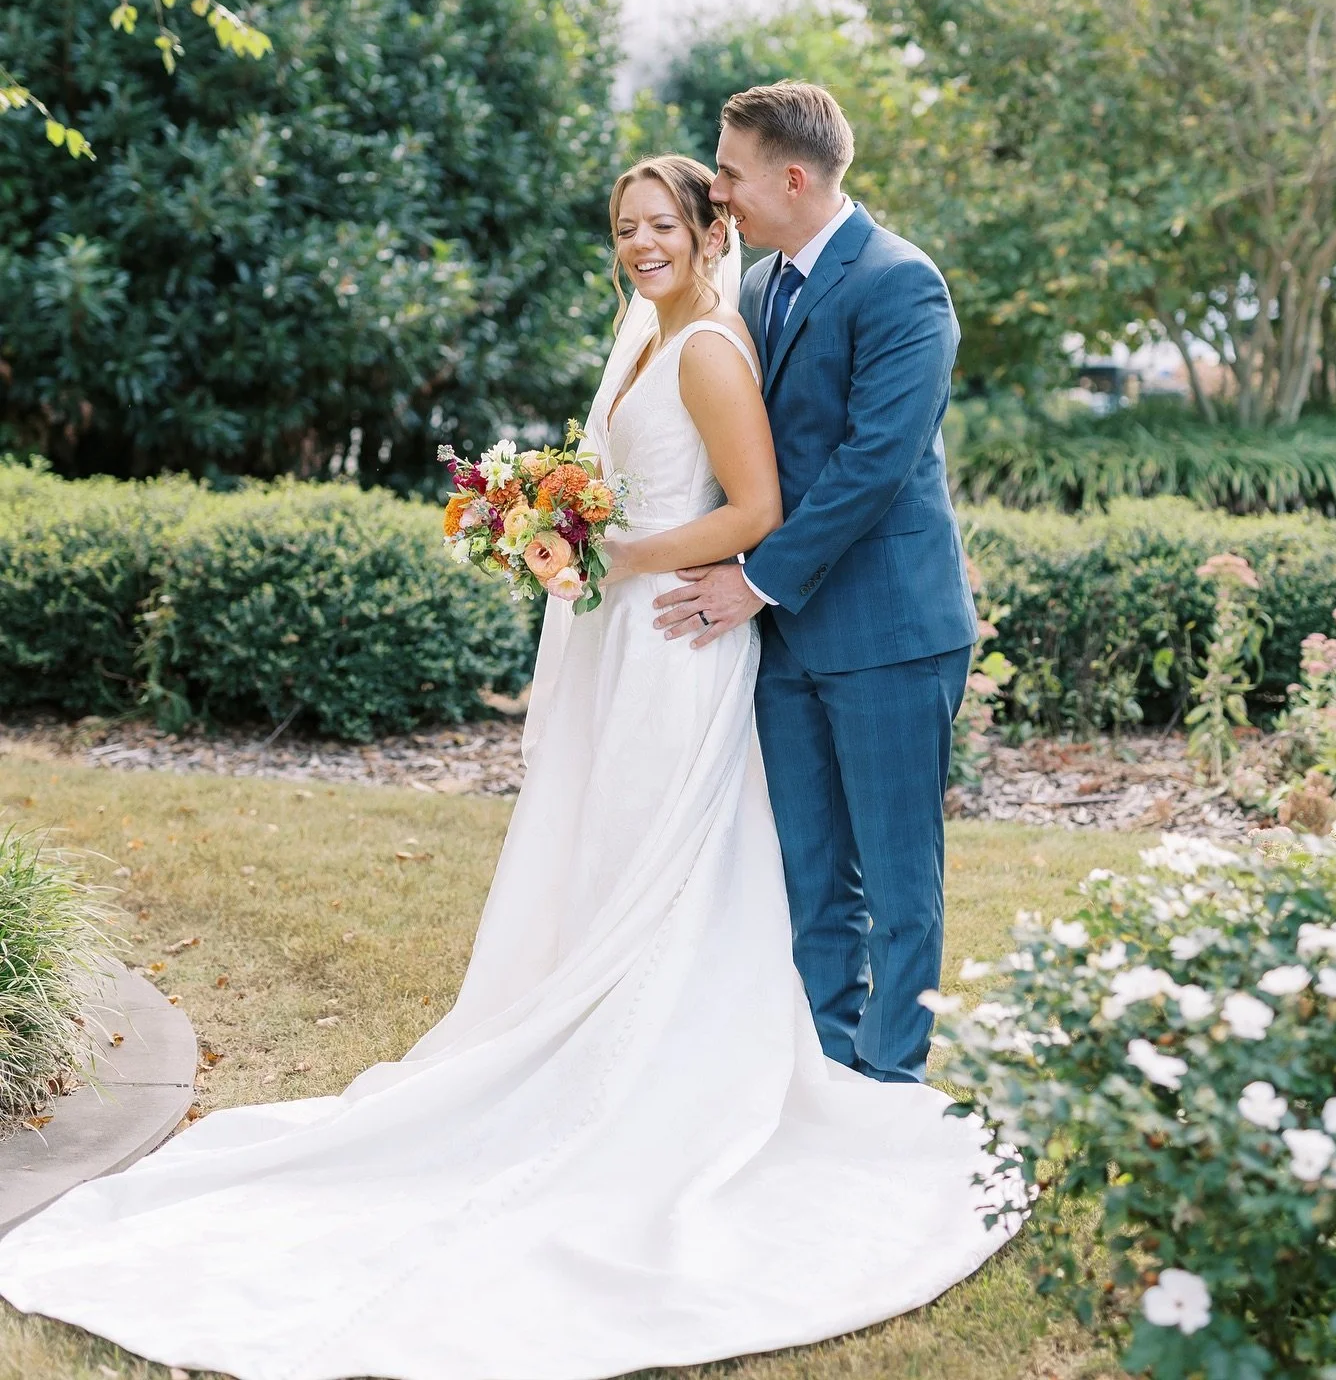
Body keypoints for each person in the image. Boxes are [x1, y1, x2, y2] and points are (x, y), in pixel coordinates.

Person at [0, 150, 1016, 1380]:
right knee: (625, 855)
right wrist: (552, 522)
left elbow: (755, 508)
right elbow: (631, 478)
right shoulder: (656, 329)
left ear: (711, 227)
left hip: (682, 641)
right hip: (636, 641)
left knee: (709, 863)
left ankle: (798, 1082)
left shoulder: (712, 343)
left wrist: (608, 550)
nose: (640, 243)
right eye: (624, 226)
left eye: (663, 223)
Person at [654, 85, 977, 1085]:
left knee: (898, 878)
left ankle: (889, 1084)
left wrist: (757, 580)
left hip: (888, 631)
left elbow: (875, 463)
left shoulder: (902, 284)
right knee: (811, 872)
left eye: (732, 172)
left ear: (793, 177)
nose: (718, 189)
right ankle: (829, 1066)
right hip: (788, 642)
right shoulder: (759, 290)